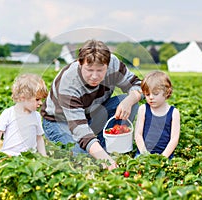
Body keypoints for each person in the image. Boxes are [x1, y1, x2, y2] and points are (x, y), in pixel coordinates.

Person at [41, 39, 142, 170]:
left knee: (131, 102)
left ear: (108, 64)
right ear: (80, 63)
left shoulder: (114, 64)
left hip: (91, 114)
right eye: (89, 70)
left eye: (100, 70)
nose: (94, 76)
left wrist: (130, 100)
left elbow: (138, 85)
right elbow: (80, 130)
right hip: (59, 121)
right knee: (83, 159)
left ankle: (105, 147)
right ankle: (103, 151)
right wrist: (104, 159)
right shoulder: (68, 82)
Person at [0, 73, 48, 156]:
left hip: (30, 157)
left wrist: (44, 156)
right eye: (37, 99)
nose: (41, 103)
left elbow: (39, 139)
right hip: (9, 155)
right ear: (23, 98)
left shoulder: (36, 116)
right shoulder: (8, 114)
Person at [134, 71, 180, 159]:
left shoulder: (174, 112)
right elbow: (138, 134)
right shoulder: (143, 109)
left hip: (165, 155)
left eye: (155, 94)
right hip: (143, 154)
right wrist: (144, 154)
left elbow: (174, 139)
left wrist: (163, 157)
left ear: (167, 92)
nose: (151, 97)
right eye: (147, 94)